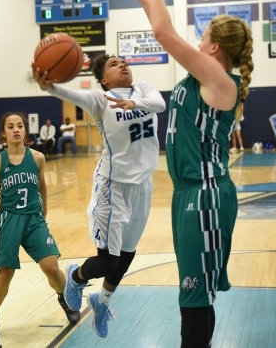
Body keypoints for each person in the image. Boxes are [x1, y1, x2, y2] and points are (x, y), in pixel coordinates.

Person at [115, 0, 250, 346]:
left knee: (194, 292)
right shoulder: (204, 76)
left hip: (205, 195)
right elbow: (163, 27)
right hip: (188, 193)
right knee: (192, 290)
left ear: (215, 47)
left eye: (204, 37)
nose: (198, 41)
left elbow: (162, 33)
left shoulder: (220, 80)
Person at [32, 54, 165, 338]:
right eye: (115, 64)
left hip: (143, 185)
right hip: (112, 186)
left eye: (124, 62)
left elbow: (159, 104)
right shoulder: (99, 99)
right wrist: (48, 87)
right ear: (104, 79)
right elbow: (68, 93)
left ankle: (102, 301)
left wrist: (133, 103)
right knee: (107, 262)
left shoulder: (143, 88)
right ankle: (77, 277)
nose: (123, 65)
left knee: (127, 253)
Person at [0, 112, 80, 338]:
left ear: (25, 131)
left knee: (52, 268)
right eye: (10, 126)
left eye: (19, 126)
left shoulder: (37, 157)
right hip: (9, 219)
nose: (16, 129)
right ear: (3, 133)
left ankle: (65, 298)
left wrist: (44, 212)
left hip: (34, 218)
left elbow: (42, 186)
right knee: (5, 272)